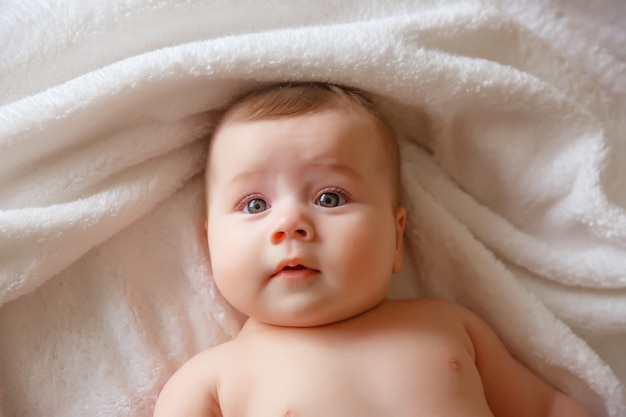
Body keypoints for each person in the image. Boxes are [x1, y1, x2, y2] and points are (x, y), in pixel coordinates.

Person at [153, 82, 594, 417]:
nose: (290, 224)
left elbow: (547, 407)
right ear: (209, 247)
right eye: (255, 204)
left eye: (330, 198)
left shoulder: (450, 326)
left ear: (396, 238)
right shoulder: (209, 382)